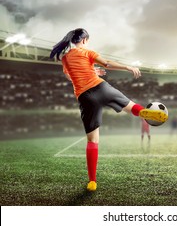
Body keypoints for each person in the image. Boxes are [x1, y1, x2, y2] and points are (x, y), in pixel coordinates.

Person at [50, 28, 168, 191]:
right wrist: (127, 67)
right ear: (84, 40)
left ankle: (92, 181)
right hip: (100, 87)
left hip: (85, 97)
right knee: (130, 105)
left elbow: (70, 76)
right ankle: (144, 113)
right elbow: (107, 63)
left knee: (92, 141)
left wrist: (91, 70)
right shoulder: (88, 52)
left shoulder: (65, 58)